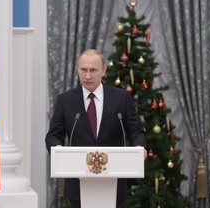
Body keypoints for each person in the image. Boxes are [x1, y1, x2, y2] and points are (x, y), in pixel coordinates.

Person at [45, 49, 147, 208]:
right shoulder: (65, 100)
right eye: (83, 70)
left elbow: (136, 131)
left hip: (114, 183)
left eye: (93, 70)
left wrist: (140, 147)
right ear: (77, 69)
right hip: (78, 184)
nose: (87, 76)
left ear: (104, 70)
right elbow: (53, 136)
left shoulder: (121, 98)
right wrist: (59, 150)